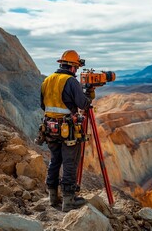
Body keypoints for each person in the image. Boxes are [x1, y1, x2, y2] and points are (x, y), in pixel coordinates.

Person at [40, 50, 90, 212]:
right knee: (70, 162)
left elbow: (43, 105)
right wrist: (89, 96)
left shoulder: (47, 80)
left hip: (49, 128)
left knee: (55, 160)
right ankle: (68, 201)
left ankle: (52, 197)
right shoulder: (71, 81)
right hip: (67, 130)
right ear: (73, 67)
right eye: (76, 67)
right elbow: (83, 104)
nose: (76, 71)